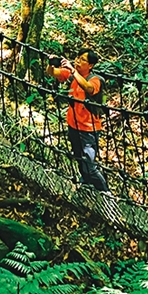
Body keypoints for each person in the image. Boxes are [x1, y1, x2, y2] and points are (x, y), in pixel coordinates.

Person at [50, 48, 109, 192]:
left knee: (89, 165)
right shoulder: (71, 75)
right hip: (73, 126)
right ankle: (87, 186)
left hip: (89, 130)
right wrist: (51, 64)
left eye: (82, 60)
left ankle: (106, 193)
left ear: (90, 65)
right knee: (79, 159)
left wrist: (73, 71)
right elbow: (53, 73)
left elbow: (89, 88)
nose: (78, 61)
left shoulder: (95, 79)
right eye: (78, 58)